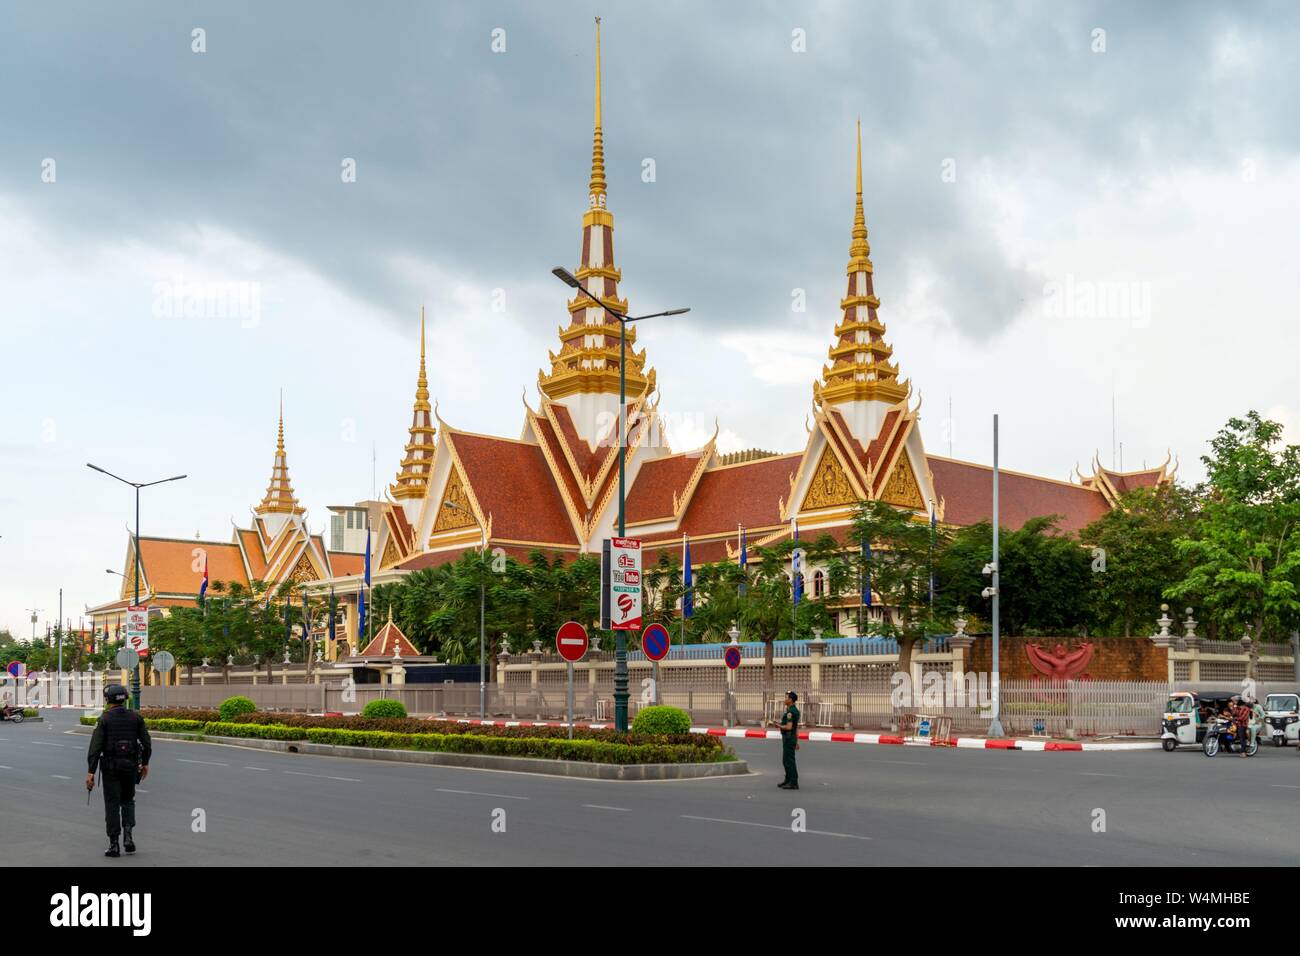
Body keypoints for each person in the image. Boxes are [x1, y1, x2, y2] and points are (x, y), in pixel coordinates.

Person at [85, 683, 151, 857]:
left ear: (108, 700)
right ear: (125, 699)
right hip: (130, 767)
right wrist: (145, 763)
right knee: (128, 801)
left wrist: (91, 772)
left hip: (110, 768)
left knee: (112, 803)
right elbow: (147, 743)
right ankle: (128, 838)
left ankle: (114, 844)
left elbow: (95, 748)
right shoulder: (136, 717)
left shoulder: (104, 719)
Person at [774, 691, 800, 790]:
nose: (784, 699)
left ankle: (793, 782)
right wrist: (797, 741)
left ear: (790, 700)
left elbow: (789, 727)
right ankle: (788, 780)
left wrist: (778, 725)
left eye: (786, 697)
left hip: (789, 738)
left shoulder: (790, 712)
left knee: (789, 761)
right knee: (786, 760)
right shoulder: (792, 710)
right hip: (791, 738)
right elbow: (796, 727)